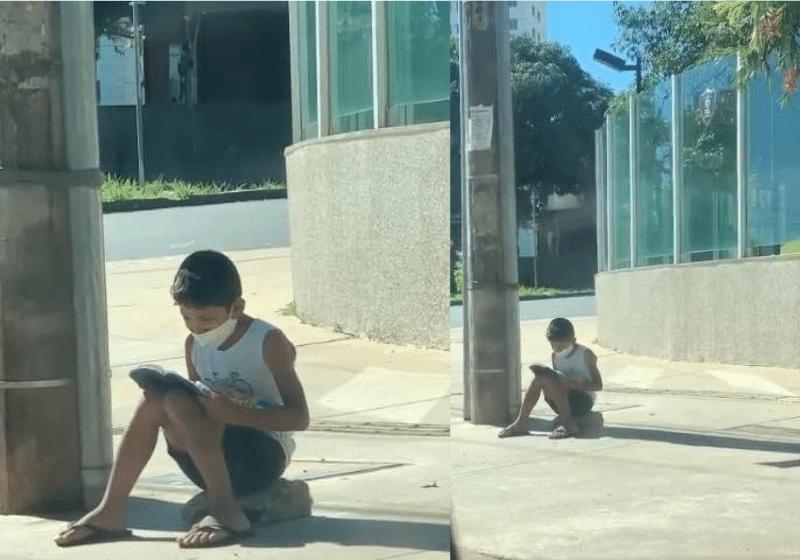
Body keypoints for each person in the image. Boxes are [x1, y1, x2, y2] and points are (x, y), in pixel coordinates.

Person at [55, 250, 310, 548]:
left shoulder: (268, 342)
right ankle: (111, 510)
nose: (196, 327)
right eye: (187, 317)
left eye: (207, 319)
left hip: (260, 457)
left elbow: (299, 417)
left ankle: (227, 511)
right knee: (157, 399)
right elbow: (192, 414)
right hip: (209, 461)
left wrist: (234, 414)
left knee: (177, 402)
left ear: (236, 308)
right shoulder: (194, 345)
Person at [499, 317, 602, 440]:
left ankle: (568, 423)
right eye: (553, 346)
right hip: (561, 401)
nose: (557, 349)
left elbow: (598, 385)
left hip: (582, 400)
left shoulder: (585, 354)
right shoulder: (555, 356)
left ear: (573, 340)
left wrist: (574, 383)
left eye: (561, 346)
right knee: (540, 378)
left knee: (549, 379)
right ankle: (521, 422)